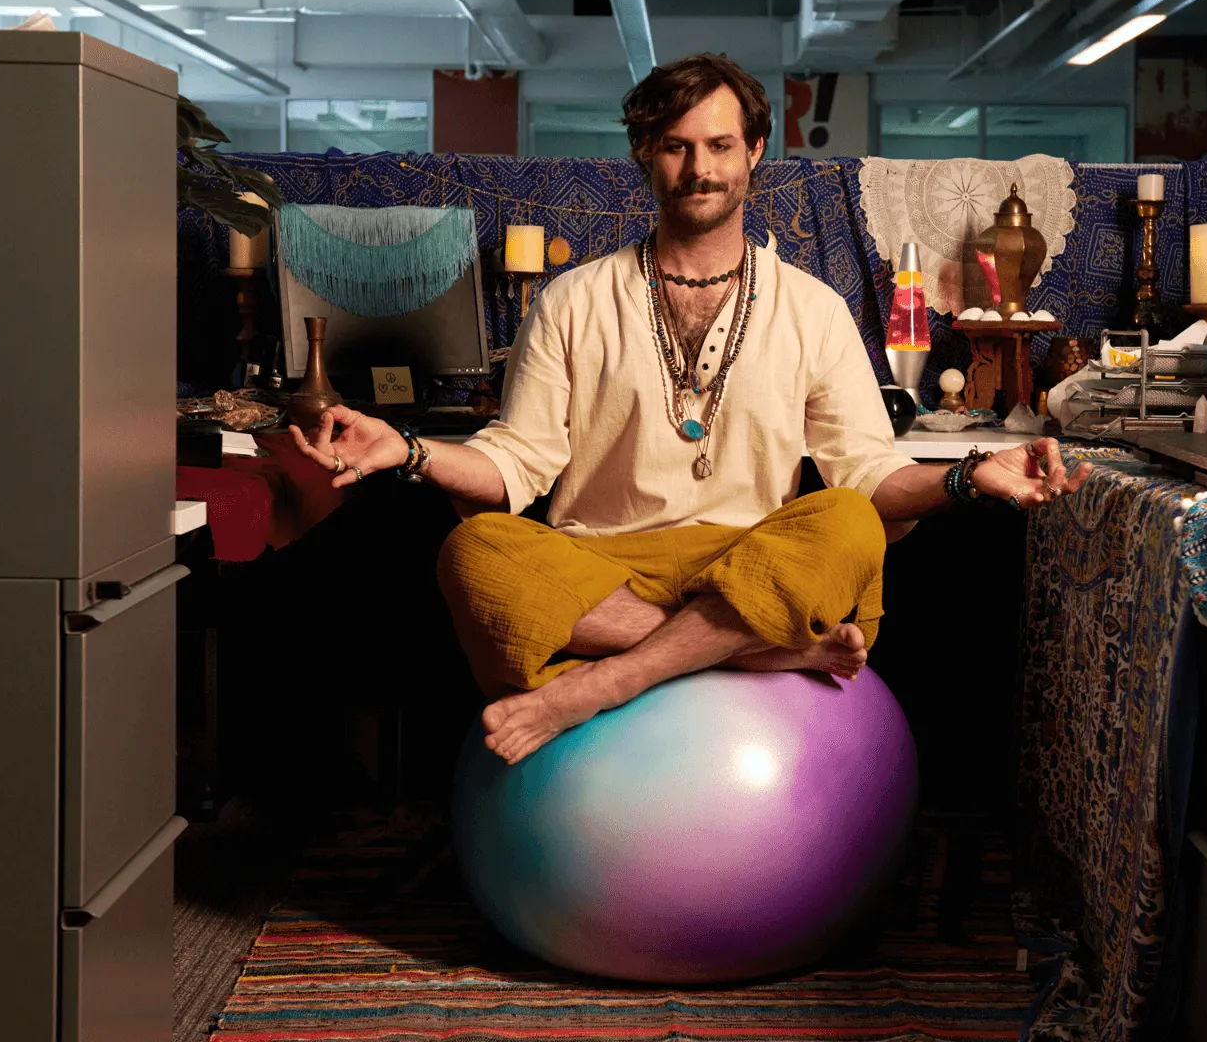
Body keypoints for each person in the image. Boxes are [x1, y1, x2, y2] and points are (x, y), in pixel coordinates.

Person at [292, 54, 1091, 763]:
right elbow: (515, 461)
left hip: (750, 563)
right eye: (676, 146)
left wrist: (969, 477)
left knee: (846, 521)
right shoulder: (574, 300)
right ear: (646, 156)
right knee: (475, 552)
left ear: (753, 155)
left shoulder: (811, 308)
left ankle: (606, 683)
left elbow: (870, 473)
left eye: (718, 146)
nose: (699, 167)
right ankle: (749, 652)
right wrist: (410, 451)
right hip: (602, 568)